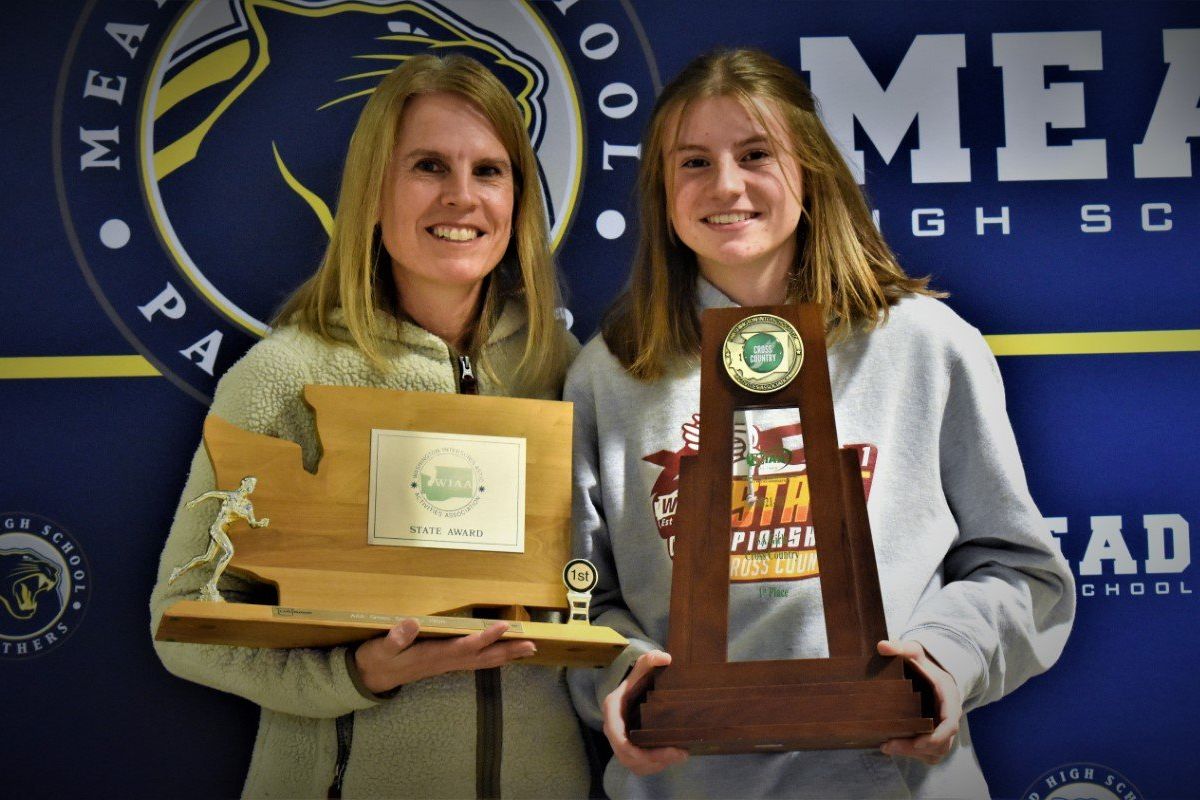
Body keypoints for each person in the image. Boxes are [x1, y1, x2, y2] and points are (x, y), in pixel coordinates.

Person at [566, 48, 1075, 799]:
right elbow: (580, 602)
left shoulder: (926, 346)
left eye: (755, 154)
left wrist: (941, 661)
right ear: (661, 193)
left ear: (810, 170)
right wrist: (624, 678)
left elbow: (1023, 574)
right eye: (694, 162)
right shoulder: (609, 375)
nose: (727, 184)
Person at [150, 54, 589, 799]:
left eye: (489, 171)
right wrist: (352, 676)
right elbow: (183, 621)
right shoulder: (287, 376)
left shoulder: (564, 368)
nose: (462, 197)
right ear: (373, 193)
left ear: (518, 199)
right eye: (428, 166)